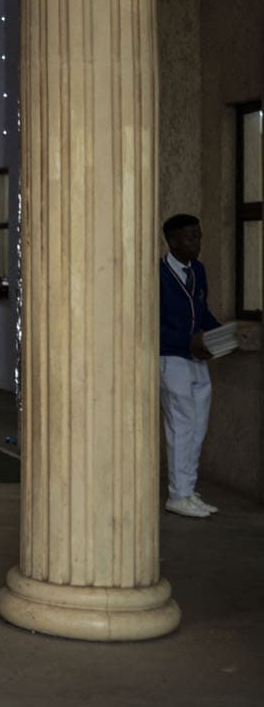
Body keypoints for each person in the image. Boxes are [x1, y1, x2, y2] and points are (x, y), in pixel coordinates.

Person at [159, 213, 222, 518]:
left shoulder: (198, 270)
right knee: (181, 425)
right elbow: (151, 323)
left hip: (198, 357)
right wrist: (187, 340)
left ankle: (188, 489)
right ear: (171, 242)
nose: (197, 243)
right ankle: (177, 495)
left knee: (198, 427)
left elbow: (202, 310)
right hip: (171, 359)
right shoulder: (157, 275)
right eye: (189, 237)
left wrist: (219, 333)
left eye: (198, 236)